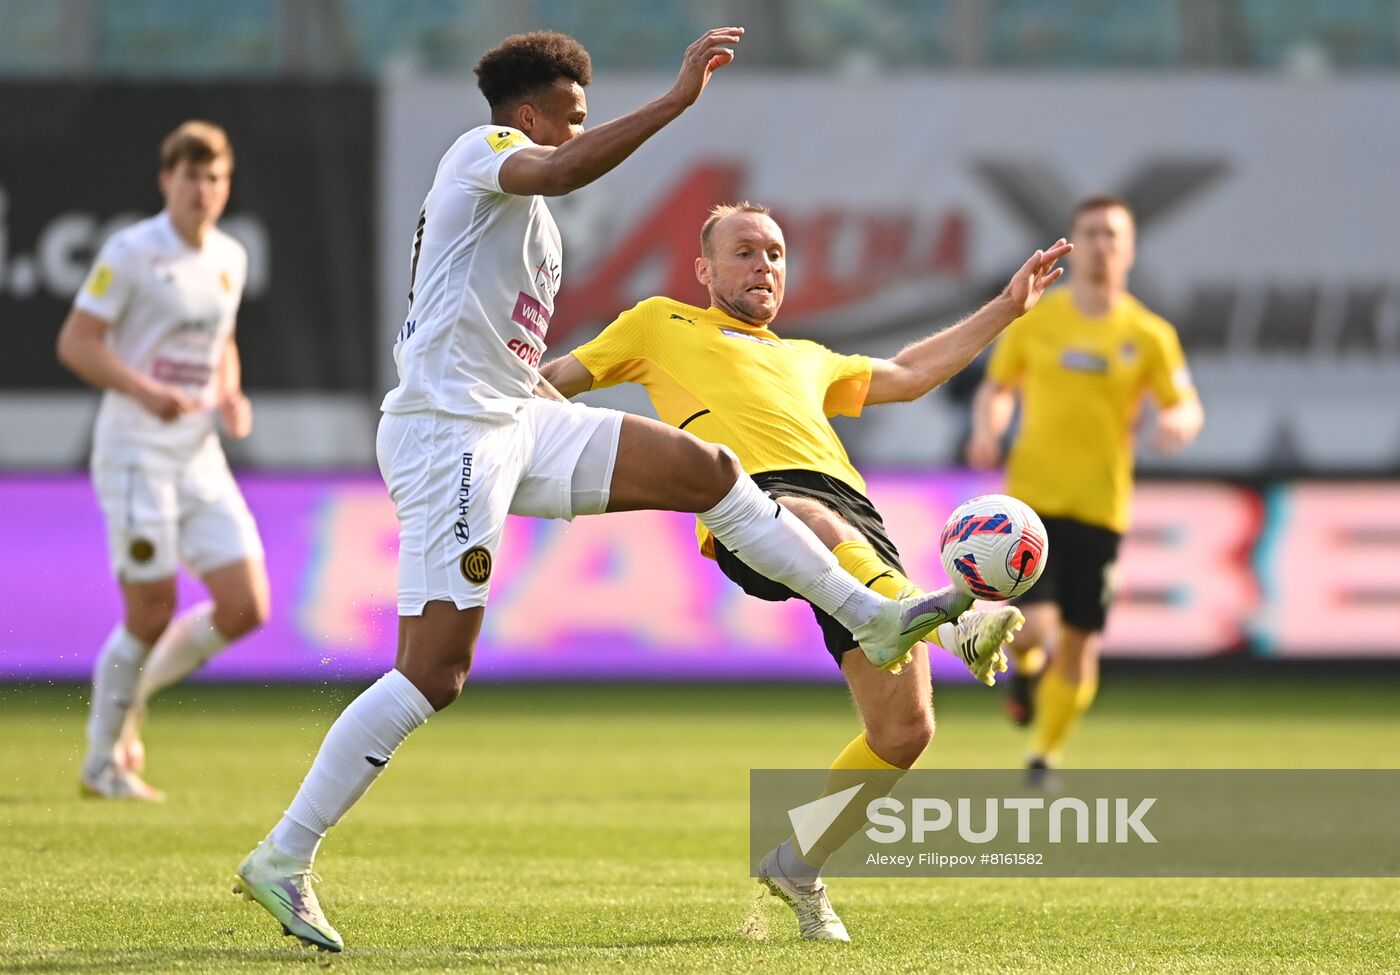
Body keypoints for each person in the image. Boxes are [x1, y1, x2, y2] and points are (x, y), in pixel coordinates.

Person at [232, 30, 978, 954]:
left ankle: (869, 612)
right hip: (449, 435)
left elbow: (513, 325)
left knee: (708, 471)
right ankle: (284, 854)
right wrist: (673, 104)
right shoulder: (483, 152)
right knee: (433, 672)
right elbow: (565, 169)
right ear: (532, 113)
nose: (578, 128)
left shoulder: (524, 213)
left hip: (510, 419)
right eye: (571, 113)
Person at [542, 201, 1070, 940]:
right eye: (746, 252)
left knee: (905, 731)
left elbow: (912, 371)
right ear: (704, 270)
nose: (765, 265)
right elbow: (555, 381)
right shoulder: (658, 322)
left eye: (777, 254)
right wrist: (485, 420)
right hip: (752, 504)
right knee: (813, 521)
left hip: (858, 523)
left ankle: (799, 864)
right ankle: (960, 626)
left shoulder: (807, 357)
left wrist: (1007, 309)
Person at [56, 120, 268, 801]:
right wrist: (147, 390)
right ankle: (101, 762)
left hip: (198, 454)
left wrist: (231, 396)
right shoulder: (132, 250)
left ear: (225, 185)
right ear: (165, 182)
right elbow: (77, 342)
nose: (202, 190)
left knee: (245, 606)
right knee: (150, 610)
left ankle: (134, 691)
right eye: (190, 177)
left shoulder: (230, 257)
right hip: (134, 454)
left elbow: (221, 343)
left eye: (214, 178)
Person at [966, 194, 1204, 779]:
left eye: (1112, 236)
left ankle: (1044, 755)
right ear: (1074, 242)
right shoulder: (1038, 319)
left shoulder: (1149, 335)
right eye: (1091, 233)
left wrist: (1179, 422)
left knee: (1079, 645)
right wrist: (987, 428)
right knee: (1038, 632)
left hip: (1101, 509)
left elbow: (1186, 401)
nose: (1101, 246)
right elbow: (999, 388)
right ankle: (1024, 671)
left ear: (1130, 250)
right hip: (1033, 507)